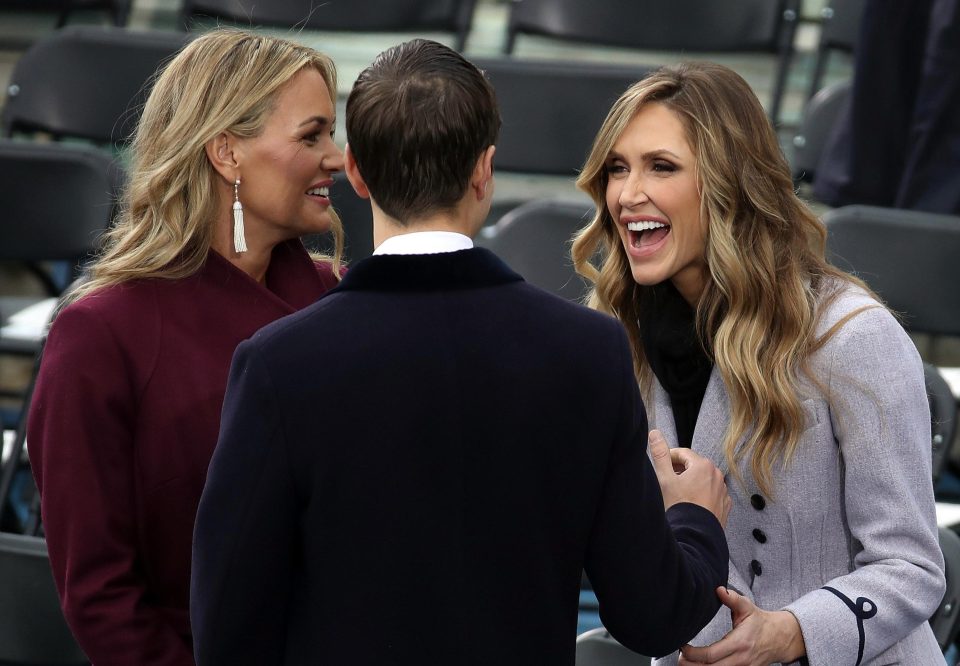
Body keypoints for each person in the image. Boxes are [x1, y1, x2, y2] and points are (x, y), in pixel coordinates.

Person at [191, 39, 731, 665]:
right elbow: (653, 615)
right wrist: (694, 520)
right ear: (484, 169)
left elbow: (227, 630)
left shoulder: (279, 362)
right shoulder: (587, 351)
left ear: (357, 172)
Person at [571, 60, 946, 665]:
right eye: (617, 168)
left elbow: (911, 567)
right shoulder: (617, 342)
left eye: (660, 166)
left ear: (727, 181)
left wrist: (790, 630)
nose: (626, 193)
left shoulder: (853, 337)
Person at [27, 29, 345, 666]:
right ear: (226, 151)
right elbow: (98, 592)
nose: (337, 158)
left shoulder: (341, 299)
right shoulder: (101, 333)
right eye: (311, 136)